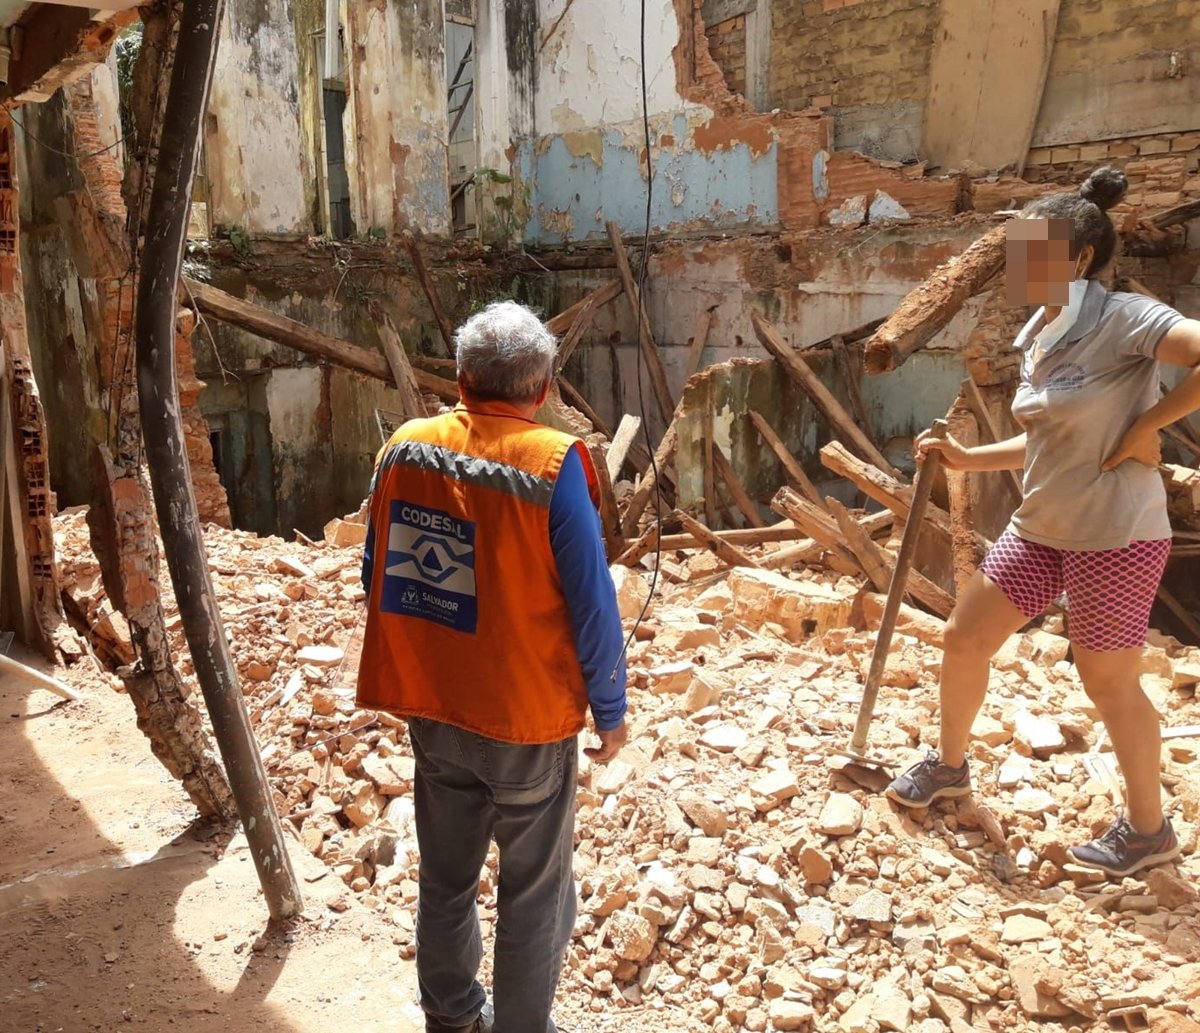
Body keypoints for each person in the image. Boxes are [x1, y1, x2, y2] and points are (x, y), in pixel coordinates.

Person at [885, 167, 1200, 878]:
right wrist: (967, 458)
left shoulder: (1122, 318)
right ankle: (950, 765)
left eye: (1036, 252)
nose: (1020, 268)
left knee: (1108, 680)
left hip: (1116, 532)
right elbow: (1049, 436)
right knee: (965, 637)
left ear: (1080, 259)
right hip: (1043, 527)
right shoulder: (1040, 329)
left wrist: (1148, 426)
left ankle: (1149, 831)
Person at [356, 301, 628, 1033]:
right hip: (525, 722)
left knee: (445, 878)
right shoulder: (552, 463)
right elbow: (592, 604)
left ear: (463, 378)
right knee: (535, 895)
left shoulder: (405, 448)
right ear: (541, 389)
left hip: (435, 710)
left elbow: (373, 570)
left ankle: (450, 1017)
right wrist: (611, 709)